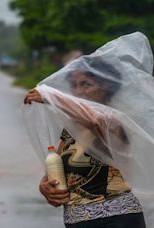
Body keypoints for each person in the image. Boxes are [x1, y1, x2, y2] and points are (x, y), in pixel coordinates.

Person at [24, 63, 147, 228]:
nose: (78, 92)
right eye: (74, 85)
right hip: (77, 221)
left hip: (116, 220)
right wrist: (46, 187)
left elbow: (95, 121)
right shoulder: (70, 129)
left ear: (106, 88)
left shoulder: (113, 122)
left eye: (86, 84)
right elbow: (57, 170)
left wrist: (53, 98)